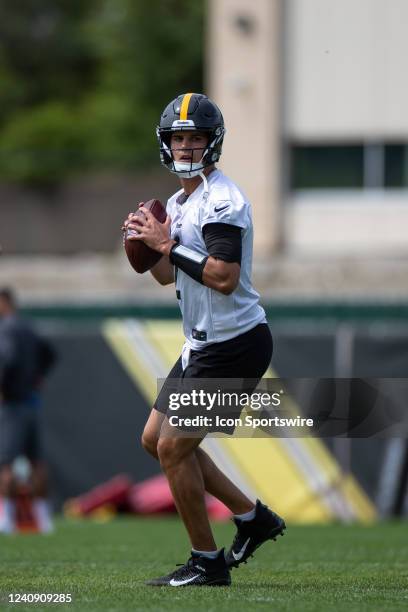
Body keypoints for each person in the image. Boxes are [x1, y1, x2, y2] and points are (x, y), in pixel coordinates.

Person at [123, 93, 285, 587]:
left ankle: (207, 563)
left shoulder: (222, 200)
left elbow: (223, 277)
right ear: (166, 143)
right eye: (179, 137)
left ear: (211, 143)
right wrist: (149, 245)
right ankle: (251, 518)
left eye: (194, 137)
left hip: (234, 343)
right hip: (202, 343)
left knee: (173, 448)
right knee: (156, 441)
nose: (186, 145)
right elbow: (166, 277)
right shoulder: (178, 202)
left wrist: (168, 244)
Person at [0, 288, 56, 533]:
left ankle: (7, 519)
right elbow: (50, 354)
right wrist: (37, 377)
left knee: (7, 462)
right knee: (37, 462)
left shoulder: (7, 329)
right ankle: (44, 519)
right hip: (32, 402)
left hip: (13, 403)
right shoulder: (29, 328)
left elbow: (8, 359)